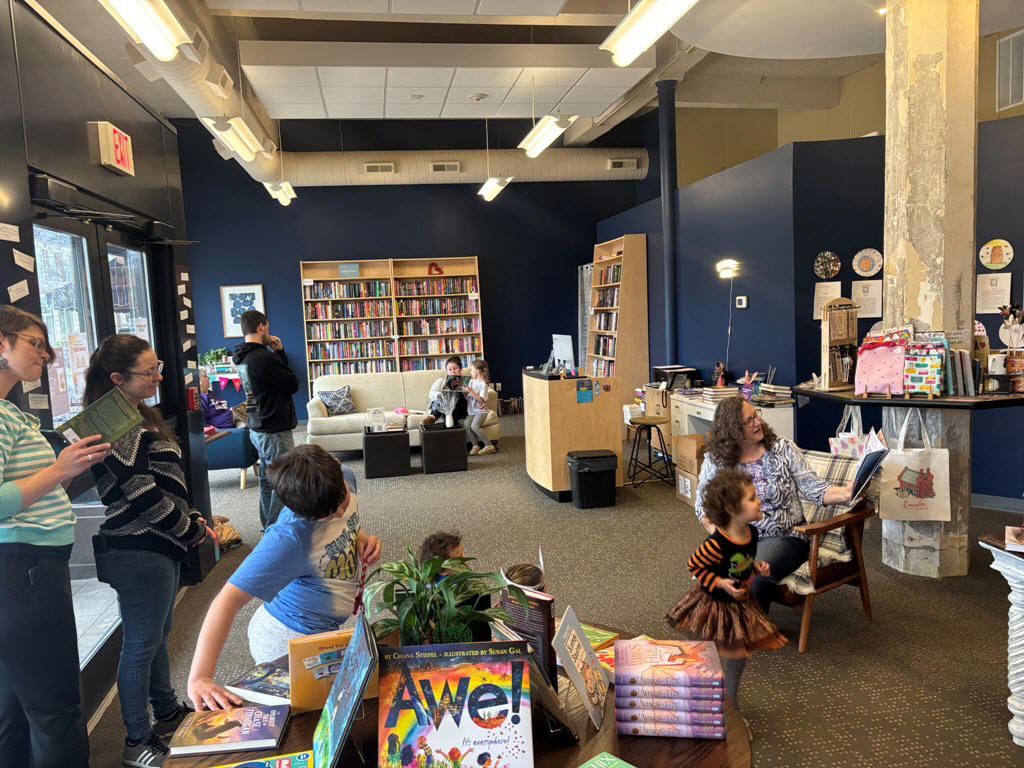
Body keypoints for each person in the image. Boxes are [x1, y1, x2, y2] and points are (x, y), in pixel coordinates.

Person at [85, 334, 210, 767]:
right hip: (138, 547)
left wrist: (191, 517)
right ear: (117, 379)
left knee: (155, 634)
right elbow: (140, 492)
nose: (158, 377)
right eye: (148, 371)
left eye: (158, 368)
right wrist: (187, 529)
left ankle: (167, 713)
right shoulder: (112, 421)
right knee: (141, 644)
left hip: (158, 542)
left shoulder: (136, 413)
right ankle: (136, 740)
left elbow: (165, 479)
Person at [186, 444, 382, 710]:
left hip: (323, 631)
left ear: (337, 466)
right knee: (311, 720)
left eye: (341, 502)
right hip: (287, 639)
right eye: (327, 515)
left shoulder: (342, 477)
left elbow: (346, 524)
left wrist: (362, 539)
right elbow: (226, 600)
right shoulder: (287, 539)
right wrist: (200, 677)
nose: (338, 513)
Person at [0, 305, 110, 768]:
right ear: (1, 344)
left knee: (15, 711)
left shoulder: (10, 411)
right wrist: (60, 470)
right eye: (34, 344)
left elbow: (31, 489)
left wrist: (68, 468)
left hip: (26, 570)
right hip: (23, 572)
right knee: (56, 710)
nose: (44, 355)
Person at [695, 396, 852, 613]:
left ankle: (750, 627)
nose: (757, 422)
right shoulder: (716, 460)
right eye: (749, 421)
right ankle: (724, 623)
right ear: (733, 431)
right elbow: (703, 507)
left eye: (756, 415)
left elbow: (815, 490)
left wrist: (846, 493)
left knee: (752, 578)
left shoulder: (782, 449)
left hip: (785, 537)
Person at [667, 467, 787, 714]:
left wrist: (755, 567)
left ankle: (730, 703)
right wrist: (720, 582)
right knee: (705, 654)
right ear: (732, 510)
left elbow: (740, 562)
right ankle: (698, 697)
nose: (758, 501)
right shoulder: (717, 544)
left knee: (736, 656)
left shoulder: (752, 533)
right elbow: (694, 565)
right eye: (752, 498)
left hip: (739, 605)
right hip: (713, 606)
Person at [233, 309, 299, 529]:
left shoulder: (242, 357)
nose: (269, 332)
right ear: (261, 326)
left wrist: (278, 353)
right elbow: (292, 384)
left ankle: (268, 527)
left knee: (268, 481)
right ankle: (275, 532)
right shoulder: (264, 358)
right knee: (283, 482)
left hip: (257, 426)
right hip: (274, 429)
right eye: (267, 327)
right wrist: (279, 354)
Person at [422, 356, 469, 427]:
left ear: (460, 368)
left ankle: (434, 416)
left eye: (455, 368)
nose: (453, 371)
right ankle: (433, 418)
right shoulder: (441, 381)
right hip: (445, 408)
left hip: (460, 408)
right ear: (447, 371)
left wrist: (466, 392)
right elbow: (431, 394)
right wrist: (440, 395)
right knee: (447, 398)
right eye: (450, 370)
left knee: (456, 397)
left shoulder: (467, 382)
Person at [464, 359, 495, 455]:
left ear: (477, 371)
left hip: (481, 411)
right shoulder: (471, 381)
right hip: (471, 411)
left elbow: (481, 400)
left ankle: (489, 445)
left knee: (474, 426)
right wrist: (465, 392)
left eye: (472, 370)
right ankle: (475, 445)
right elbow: (467, 395)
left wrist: (471, 391)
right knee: (466, 424)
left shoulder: (483, 384)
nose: (470, 372)